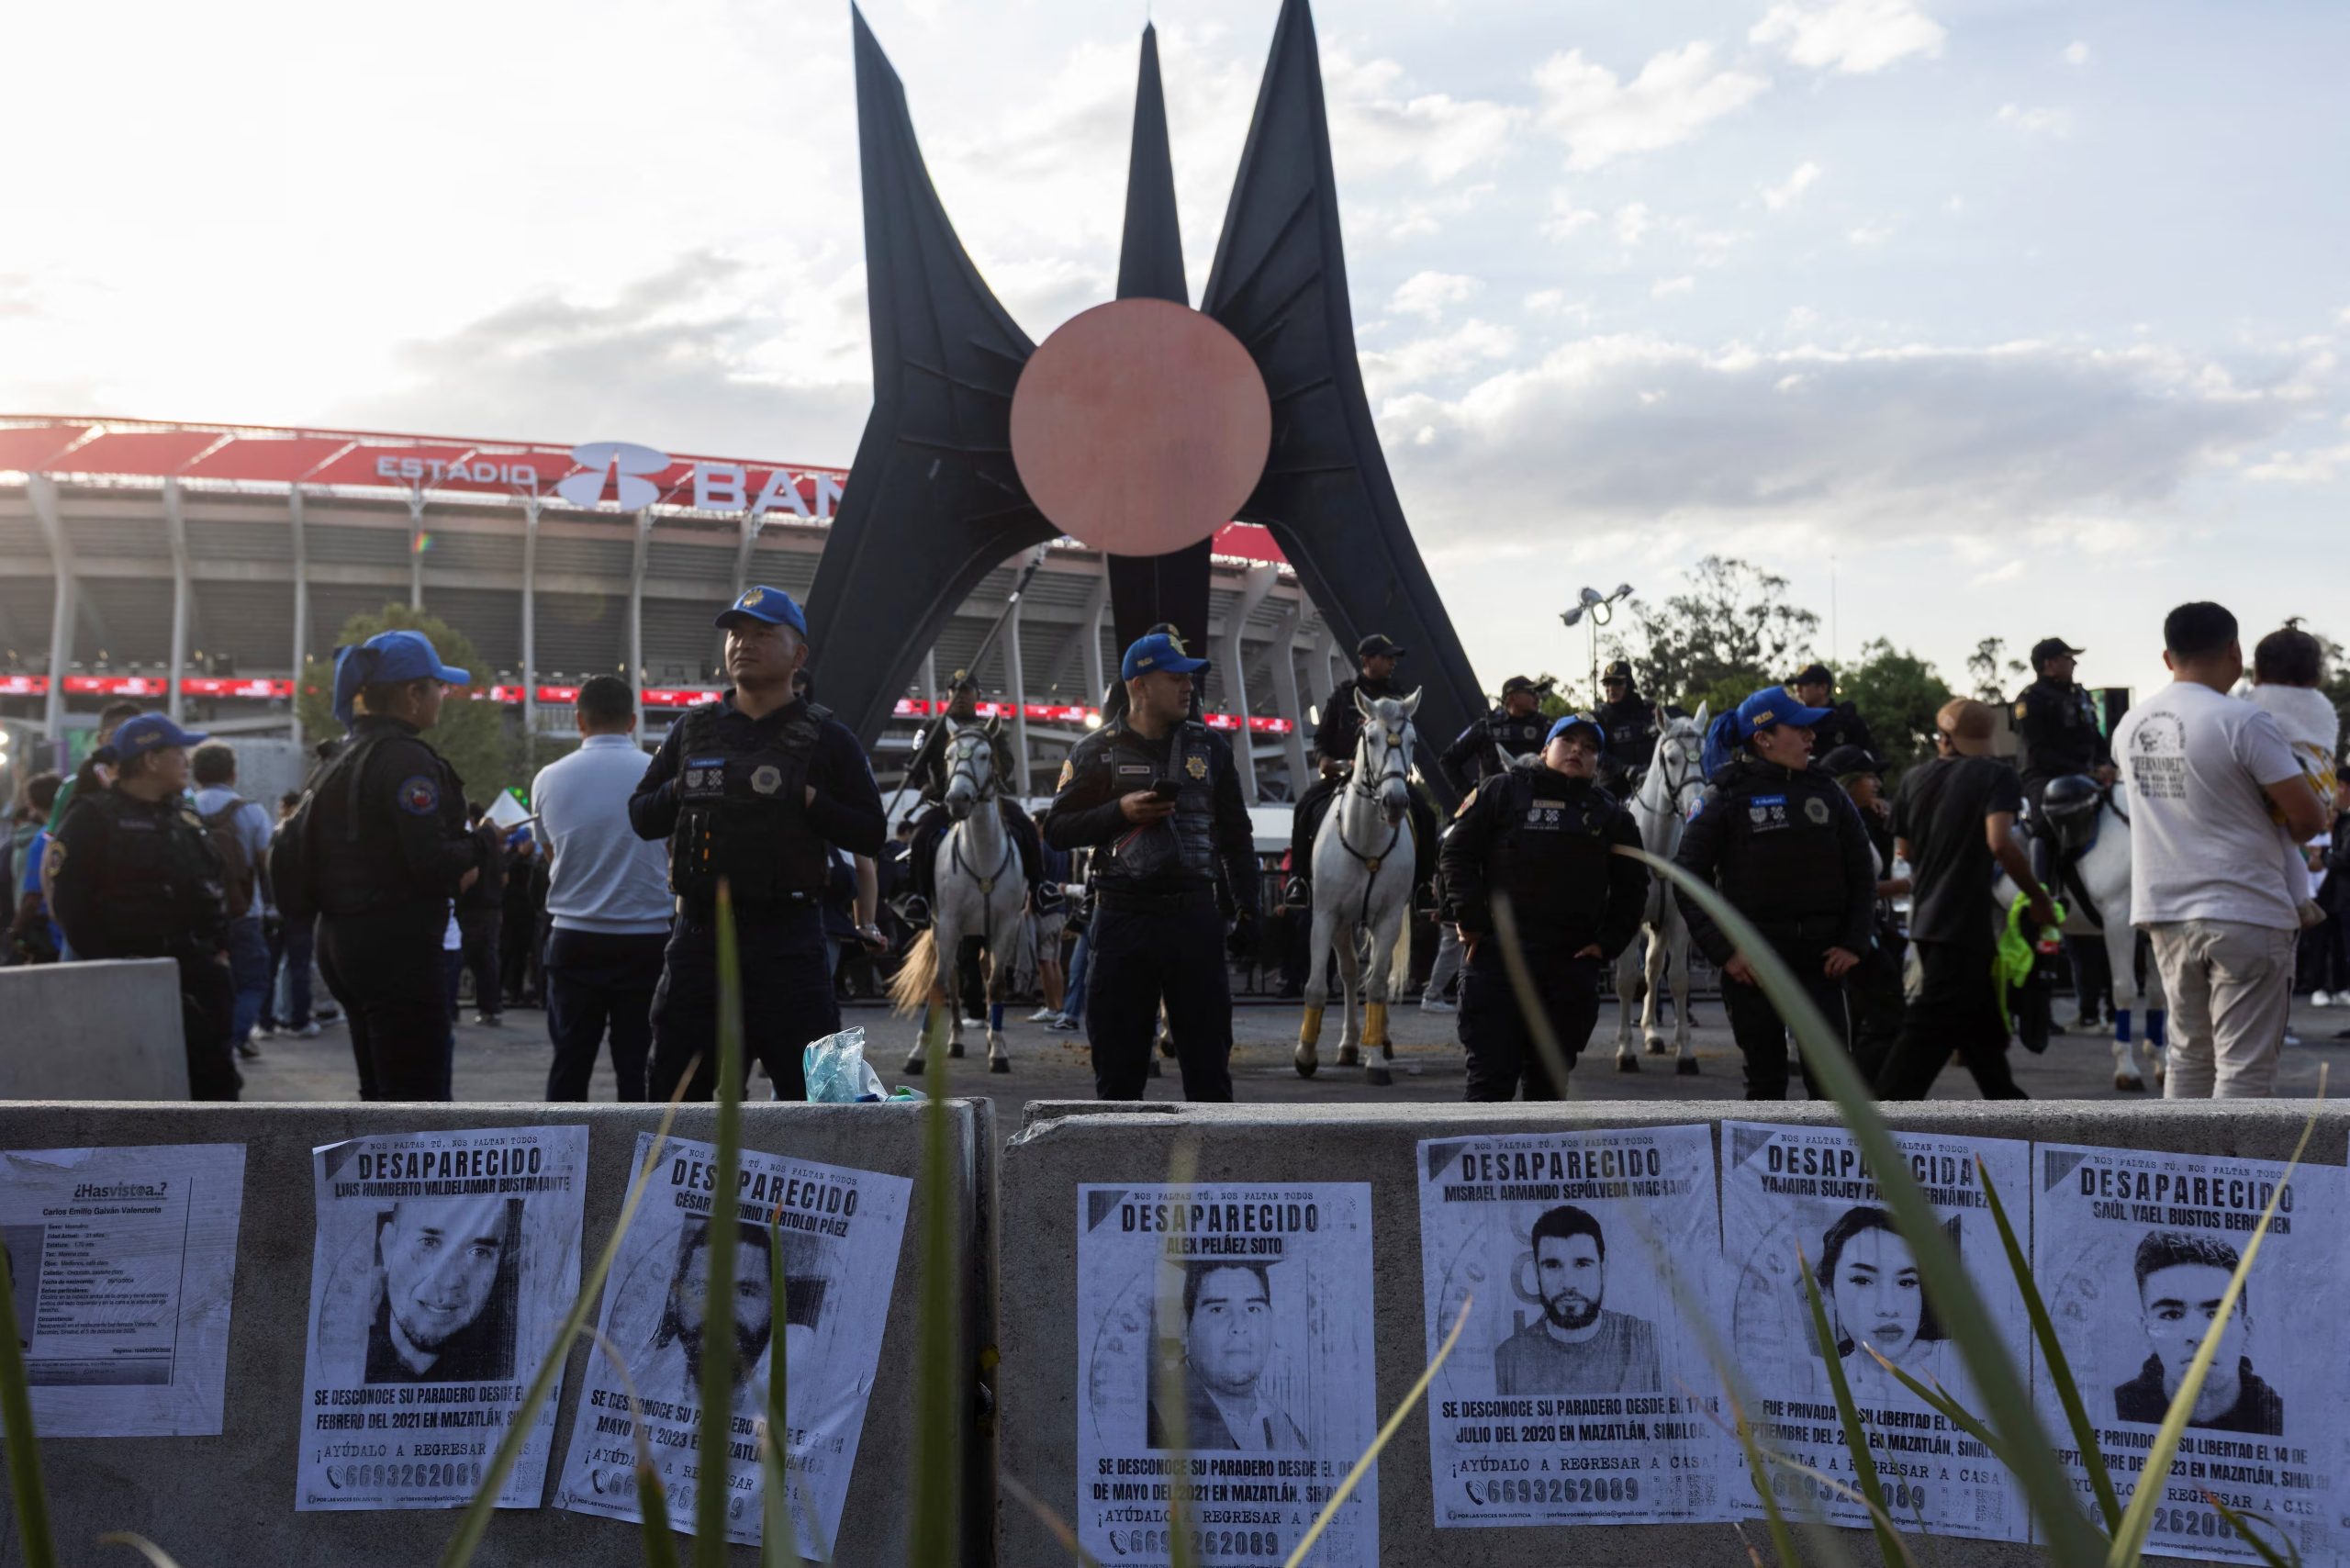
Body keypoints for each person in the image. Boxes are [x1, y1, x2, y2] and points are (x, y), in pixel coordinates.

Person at [631, 585, 887, 1102]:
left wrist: (810, 799)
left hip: (789, 946)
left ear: (799, 655)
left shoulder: (829, 738)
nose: (743, 644)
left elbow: (870, 832)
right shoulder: (692, 730)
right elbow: (642, 816)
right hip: (699, 941)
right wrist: (682, 787)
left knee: (818, 1103)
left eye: (762, 634)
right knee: (674, 1101)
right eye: (736, 634)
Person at [2113, 603, 2326, 1098]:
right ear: (2234, 650)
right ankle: (2243, 1176)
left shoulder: (2129, 727)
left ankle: (2182, 1173)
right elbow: (2308, 818)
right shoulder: (2244, 721)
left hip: (2165, 910)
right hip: (2246, 909)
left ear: (2168, 658)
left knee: (2187, 1054)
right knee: (2244, 1066)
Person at [1042, 631, 1259, 1101]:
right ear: (1139, 685)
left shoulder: (1213, 749)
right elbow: (1056, 829)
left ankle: (1213, 1171)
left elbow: (1237, 836)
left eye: (1190, 678)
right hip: (1123, 920)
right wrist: (1120, 812)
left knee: (1209, 1072)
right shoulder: (1094, 752)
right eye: (1175, 677)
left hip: (1195, 920)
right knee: (1118, 1075)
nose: (1189, 687)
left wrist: (1249, 910)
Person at [283, 629, 480, 1102]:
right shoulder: (404, 760)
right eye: (439, 687)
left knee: (379, 1095)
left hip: (342, 939)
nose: (443, 697)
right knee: (417, 1108)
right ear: (413, 694)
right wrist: (485, 844)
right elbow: (431, 861)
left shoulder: (340, 756)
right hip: (397, 947)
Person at [1673, 686, 1875, 1100]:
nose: (1810, 737)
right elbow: (1686, 875)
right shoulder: (1724, 795)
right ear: (1763, 738)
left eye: (1810, 730)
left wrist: (1854, 943)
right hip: (1754, 966)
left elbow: (1862, 873)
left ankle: (1831, 1166)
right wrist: (1726, 952)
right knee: (1766, 1084)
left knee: (1833, 1085)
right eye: (1798, 729)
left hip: (1821, 965)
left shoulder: (1828, 791)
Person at [1438, 713, 1647, 1099]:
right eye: (1568, 742)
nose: (1577, 751)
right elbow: (1456, 853)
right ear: (1546, 748)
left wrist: (1607, 943)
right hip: (1498, 961)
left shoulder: (1611, 815)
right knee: (1488, 1086)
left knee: (1548, 1092)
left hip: (1568, 969)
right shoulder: (1501, 791)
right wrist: (1470, 920)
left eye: (1589, 748)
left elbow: (1634, 886)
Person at [47, 713, 241, 1100]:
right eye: (178, 752)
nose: (187, 761)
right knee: (142, 1104)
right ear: (151, 759)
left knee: (215, 1093)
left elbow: (212, 887)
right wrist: (117, 969)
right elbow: (71, 907)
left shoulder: (184, 818)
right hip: (130, 987)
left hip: (199, 981)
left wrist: (218, 952)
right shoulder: (91, 818)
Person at [1873, 700, 2055, 1100]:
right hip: (1965, 925)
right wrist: (2039, 899)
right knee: (1921, 1038)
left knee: (1983, 1037)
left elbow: (1904, 850)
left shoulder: (1915, 778)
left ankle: (2011, 1112)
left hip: (1927, 920)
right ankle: (1880, 1122)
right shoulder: (1996, 775)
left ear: (1943, 737)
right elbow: (1999, 842)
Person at [531, 676, 673, 1101]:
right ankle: (636, 1164)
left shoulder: (547, 778)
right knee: (638, 1067)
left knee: (569, 1063)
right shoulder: (658, 777)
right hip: (646, 937)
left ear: (580, 721)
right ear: (632, 720)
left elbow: (551, 854)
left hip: (575, 936)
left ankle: (561, 1163)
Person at [1285, 633, 1435, 909]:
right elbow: (1321, 739)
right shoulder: (1343, 696)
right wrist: (1323, 760)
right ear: (1367, 660)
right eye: (1386, 657)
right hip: (1345, 777)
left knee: (1425, 814)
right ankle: (1299, 881)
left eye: (1393, 658)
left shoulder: (1399, 697)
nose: (1392, 663)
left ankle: (1424, 886)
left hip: (1389, 780)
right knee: (1304, 807)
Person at [901, 670, 1042, 921]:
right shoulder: (932, 728)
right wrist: (925, 784)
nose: (960, 697)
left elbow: (1007, 763)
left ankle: (1041, 888)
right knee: (921, 835)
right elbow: (915, 764)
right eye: (955, 691)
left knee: (1025, 825)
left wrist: (992, 777)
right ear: (947, 695)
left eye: (966, 691)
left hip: (986, 802)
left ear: (977, 695)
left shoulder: (991, 729)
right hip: (946, 802)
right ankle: (919, 898)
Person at [632, 1218, 807, 1417]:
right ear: (674, 1298)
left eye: (745, 1292)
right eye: (702, 1289)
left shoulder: (805, 1387)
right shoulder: (634, 1376)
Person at [2112, 1231, 2281, 1434]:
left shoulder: (2280, 1421)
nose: (2197, 1335)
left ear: (2246, 1330)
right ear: (2146, 1330)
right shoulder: (2113, 1411)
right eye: (2172, 1314)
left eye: (2216, 1314)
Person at [2234, 622, 2339, 928]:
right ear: (2315, 674)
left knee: (2279, 842)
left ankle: (2298, 903)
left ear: (2259, 672)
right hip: (2321, 784)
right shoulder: (2321, 705)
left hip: (2285, 782)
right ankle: (2300, 902)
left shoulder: (2255, 704)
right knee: (2287, 844)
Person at [1493, 1205, 1660, 1395]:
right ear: (1537, 1273)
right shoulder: (1507, 1360)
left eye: (1581, 1264)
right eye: (1553, 1265)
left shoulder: (1646, 1342)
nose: (1568, 1283)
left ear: (1603, 1270)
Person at [1147, 1261, 1306, 1451]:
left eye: (1253, 1309)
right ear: (1183, 1327)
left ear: (1272, 1321)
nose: (1239, 1326)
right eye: (1218, 1309)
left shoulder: (1285, 1427)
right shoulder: (1152, 1423)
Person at [364, 1196, 518, 1383]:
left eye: (479, 1252)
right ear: (388, 1246)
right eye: (429, 1242)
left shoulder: (513, 1359)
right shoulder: (344, 1340)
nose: (449, 1281)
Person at [1821, 745, 1910, 1070]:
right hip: (1852, 940)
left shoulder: (1862, 818)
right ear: (1849, 781)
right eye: (1869, 776)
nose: (1876, 783)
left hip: (1867, 934)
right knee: (1885, 1019)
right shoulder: (1836, 822)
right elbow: (1853, 887)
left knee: (1866, 1022)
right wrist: (1902, 887)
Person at [1816, 1206, 1955, 1405]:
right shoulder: (1819, 1379)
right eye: (1862, 1280)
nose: (1888, 1308)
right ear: (1828, 1291)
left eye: (1906, 1282)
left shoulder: (1958, 1366)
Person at [190, 743, 275, 1062]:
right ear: (233, 773)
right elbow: (268, 863)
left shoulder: (185, 809)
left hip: (197, 917)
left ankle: (213, 1041)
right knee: (253, 981)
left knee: (203, 985)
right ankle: (231, 1040)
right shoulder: (250, 811)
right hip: (243, 911)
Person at [1437, 675, 1550, 795]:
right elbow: (1448, 760)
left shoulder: (1546, 728)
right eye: (1531, 692)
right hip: (1496, 807)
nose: (1537, 697)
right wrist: (1470, 795)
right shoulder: (1486, 727)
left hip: (1538, 803)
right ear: (1512, 698)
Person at [455, 801, 506, 1026]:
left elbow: (470, 874)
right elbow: (505, 879)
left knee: (461, 958)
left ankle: (452, 1008)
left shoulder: (473, 844)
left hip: (472, 910)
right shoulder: (495, 848)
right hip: (493, 909)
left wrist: (456, 894)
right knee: (488, 960)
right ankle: (490, 1008)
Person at [6, 773, 62, 966]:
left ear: (32, 804)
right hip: (76, 931)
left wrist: (16, 931)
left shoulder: (43, 839)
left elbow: (33, 896)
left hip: (49, 934)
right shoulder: (73, 830)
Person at [1593, 660, 1668, 797]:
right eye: (1607, 683)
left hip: (1653, 780)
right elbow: (1598, 753)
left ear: (1629, 685)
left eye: (1617, 683)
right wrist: (1625, 770)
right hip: (1615, 787)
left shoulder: (1648, 710)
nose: (1611, 688)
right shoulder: (1601, 717)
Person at [1788, 663, 1874, 757]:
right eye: (1796, 686)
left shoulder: (1848, 723)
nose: (1798, 690)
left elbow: (1871, 762)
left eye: (1803, 685)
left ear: (1822, 688)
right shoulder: (1793, 723)